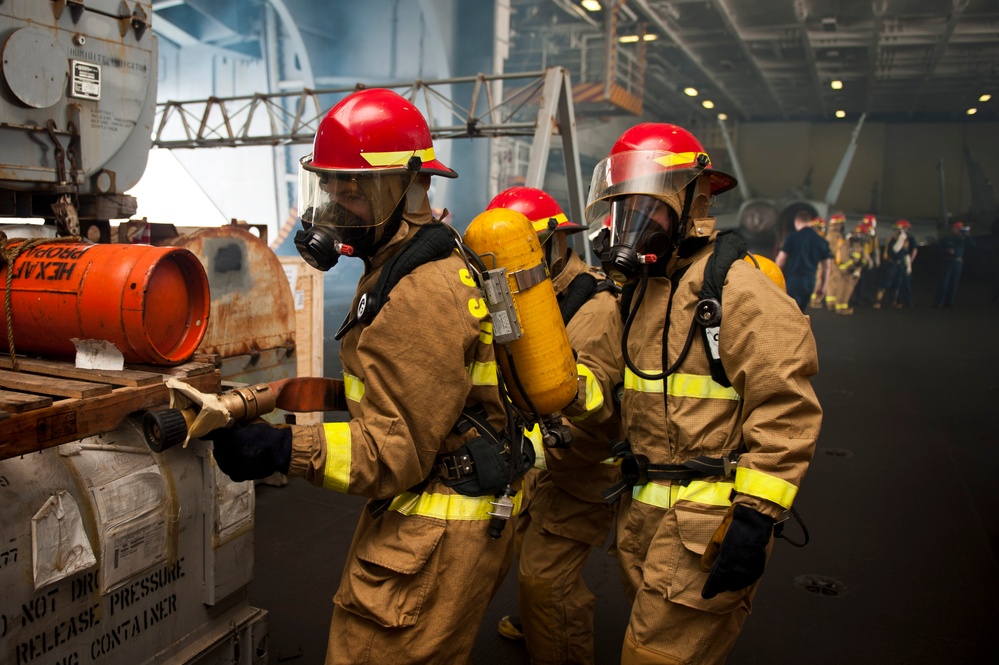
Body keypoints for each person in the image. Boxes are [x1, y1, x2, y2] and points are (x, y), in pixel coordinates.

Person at [207, 88, 533, 665]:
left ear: (408, 190)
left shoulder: (418, 292)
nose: (334, 209)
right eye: (328, 188)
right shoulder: (401, 264)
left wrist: (282, 449)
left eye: (354, 191)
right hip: (433, 509)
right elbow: (409, 391)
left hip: (435, 525)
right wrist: (281, 397)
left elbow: (395, 451)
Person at [584, 122, 822, 664]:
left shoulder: (738, 291)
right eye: (622, 210)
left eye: (649, 208)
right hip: (644, 524)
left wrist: (757, 516)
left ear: (694, 203)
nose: (630, 226)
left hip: (704, 531)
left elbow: (786, 407)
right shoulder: (638, 294)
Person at [487, 186, 624, 665]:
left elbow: (597, 403)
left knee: (544, 580)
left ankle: (559, 642)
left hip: (582, 469)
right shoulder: (527, 298)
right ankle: (539, 622)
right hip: (539, 464)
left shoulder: (595, 309)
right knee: (527, 544)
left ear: (555, 244)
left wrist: (563, 389)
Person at [775, 209, 832, 312]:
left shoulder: (792, 237)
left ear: (797, 222)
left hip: (794, 280)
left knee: (789, 311)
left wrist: (773, 278)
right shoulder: (821, 241)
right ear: (810, 222)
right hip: (810, 281)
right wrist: (823, 287)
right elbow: (827, 267)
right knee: (801, 312)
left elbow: (781, 260)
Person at [875, 219, 918, 308]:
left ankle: (899, 302)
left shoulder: (909, 238)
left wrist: (909, 263)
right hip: (892, 264)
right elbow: (894, 250)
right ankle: (878, 301)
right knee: (886, 282)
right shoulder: (893, 239)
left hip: (902, 264)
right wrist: (901, 239)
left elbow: (913, 250)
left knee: (901, 283)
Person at [936, 221, 976, 308]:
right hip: (947, 261)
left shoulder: (963, 239)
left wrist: (967, 235)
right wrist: (947, 250)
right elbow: (938, 249)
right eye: (957, 228)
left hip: (958, 262)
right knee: (944, 283)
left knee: (954, 284)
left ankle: (949, 302)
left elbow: (972, 245)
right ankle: (939, 302)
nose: (958, 230)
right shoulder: (947, 238)